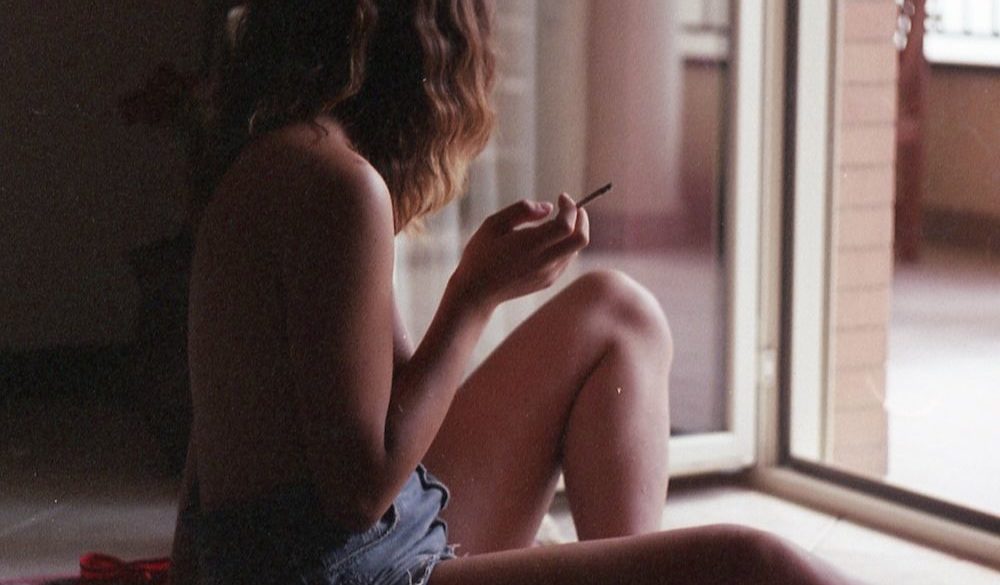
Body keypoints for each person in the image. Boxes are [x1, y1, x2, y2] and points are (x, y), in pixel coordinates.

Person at [169, 1, 863, 583]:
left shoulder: (284, 159)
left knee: (616, 313)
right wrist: (472, 296)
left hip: (326, 549)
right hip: (346, 567)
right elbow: (358, 491)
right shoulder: (340, 188)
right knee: (753, 561)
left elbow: (231, 432)